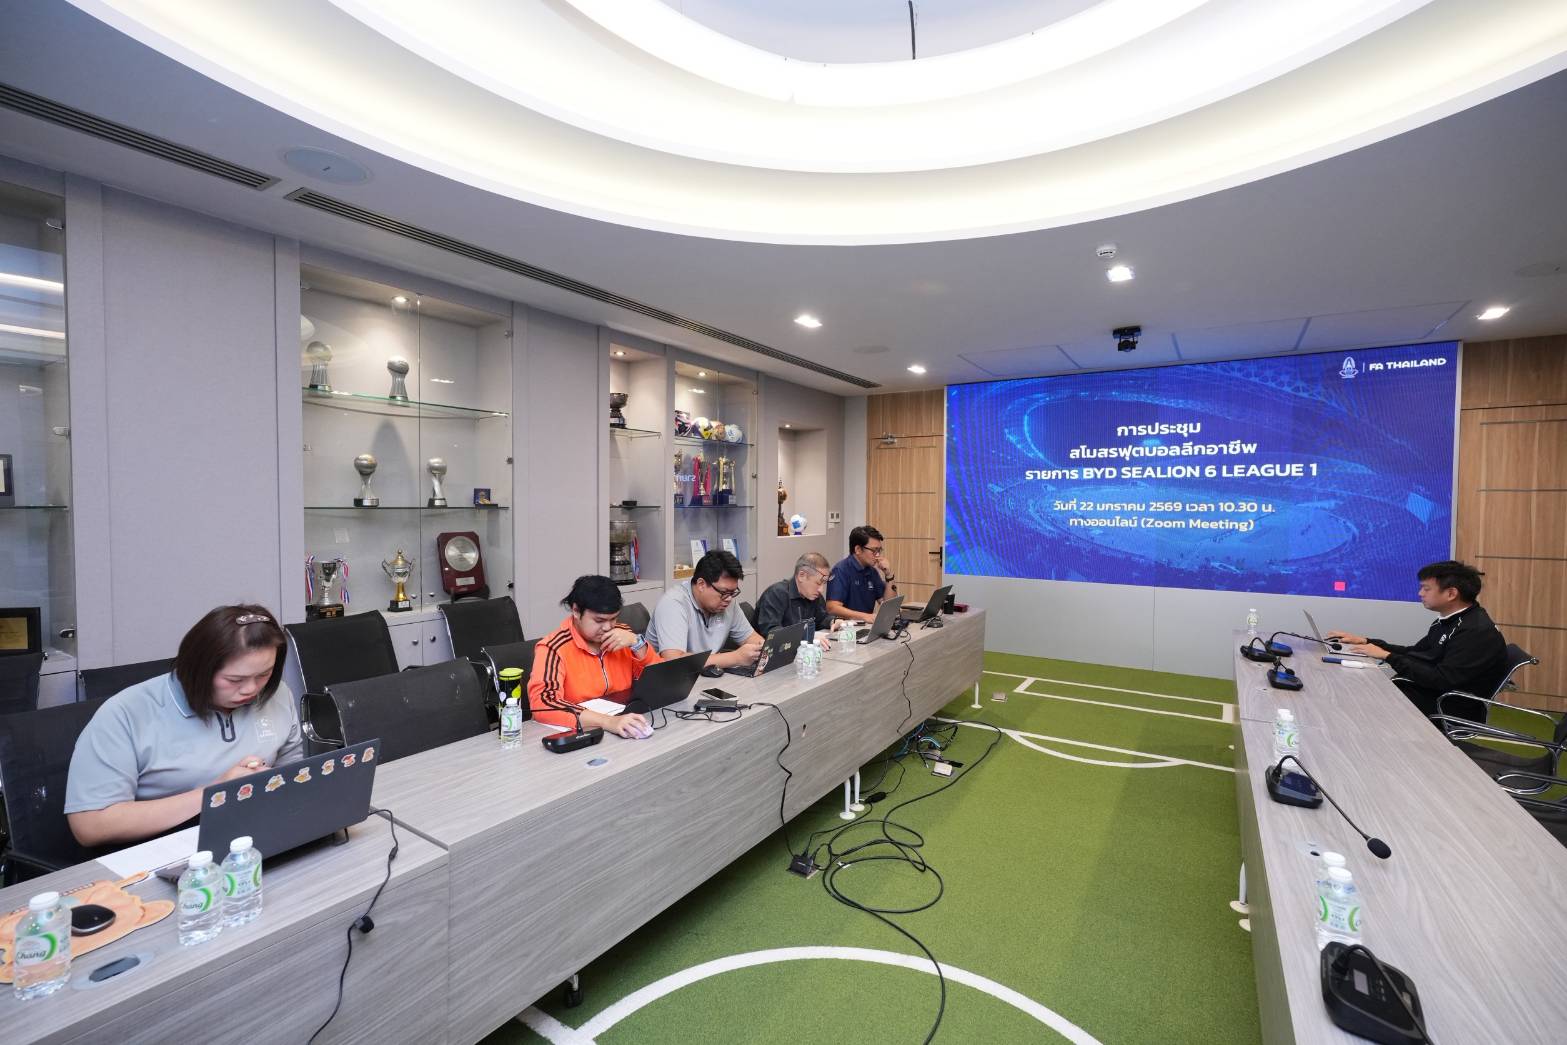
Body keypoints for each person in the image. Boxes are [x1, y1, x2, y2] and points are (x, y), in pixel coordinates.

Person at [65, 605, 303, 848]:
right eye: (234, 680)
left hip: (252, 837)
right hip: (160, 850)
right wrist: (215, 794)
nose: (251, 689)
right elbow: (90, 825)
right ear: (198, 668)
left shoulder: (276, 695)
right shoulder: (125, 715)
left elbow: (294, 778)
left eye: (264, 674)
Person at [1327, 560, 1508, 721]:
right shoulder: (1449, 620)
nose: (1420, 593)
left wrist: (1388, 656)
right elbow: (1415, 652)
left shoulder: (1475, 631)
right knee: (1357, 691)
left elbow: (1442, 680)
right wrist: (1367, 642)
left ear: (1451, 593)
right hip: (1429, 692)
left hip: (1449, 706)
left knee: (1358, 699)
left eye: (1426, 589)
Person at [528, 575, 655, 738]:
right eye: (599, 620)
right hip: (580, 733)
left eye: (613, 618)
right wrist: (608, 722)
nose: (608, 627)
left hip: (625, 721)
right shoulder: (553, 648)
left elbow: (658, 681)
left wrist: (637, 643)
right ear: (576, 611)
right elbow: (543, 703)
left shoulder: (623, 636)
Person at [646, 549, 762, 669]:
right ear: (701, 584)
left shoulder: (728, 602)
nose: (729, 599)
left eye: (732, 592)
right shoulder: (673, 603)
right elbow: (674, 660)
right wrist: (736, 658)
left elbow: (751, 638)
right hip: (670, 677)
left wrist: (763, 647)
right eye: (724, 592)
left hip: (706, 675)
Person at [755, 552, 837, 649]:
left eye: (824, 584)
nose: (821, 590)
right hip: (771, 652)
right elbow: (772, 632)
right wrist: (807, 636)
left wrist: (833, 621)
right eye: (818, 583)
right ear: (801, 576)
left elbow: (821, 618)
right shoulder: (776, 594)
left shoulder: (814, 595)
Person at [826, 525, 898, 624]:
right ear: (858, 550)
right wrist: (865, 616)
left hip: (866, 626)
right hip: (846, 628)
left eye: (879, 550)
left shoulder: (871, 571)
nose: (877, 555)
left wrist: (888, 575)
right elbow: (832, 608)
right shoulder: (841, 570)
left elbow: (888, 606)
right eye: (874, 551)